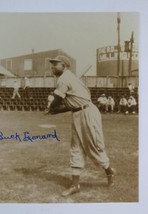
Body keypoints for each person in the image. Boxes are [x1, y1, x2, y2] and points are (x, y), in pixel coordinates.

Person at [45, 55, 115, 197]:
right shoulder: (67, 77)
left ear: (64, 66)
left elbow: (58, 100)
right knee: (76, 148)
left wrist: (52, 104)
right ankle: (75, 185)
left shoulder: (64, 78)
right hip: (78, 113)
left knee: (93, 146)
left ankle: (109, 171)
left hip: (87, 113)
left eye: (56, 64)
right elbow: (72, 104)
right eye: (52, 64)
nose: (52, 67)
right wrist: (54, 110)